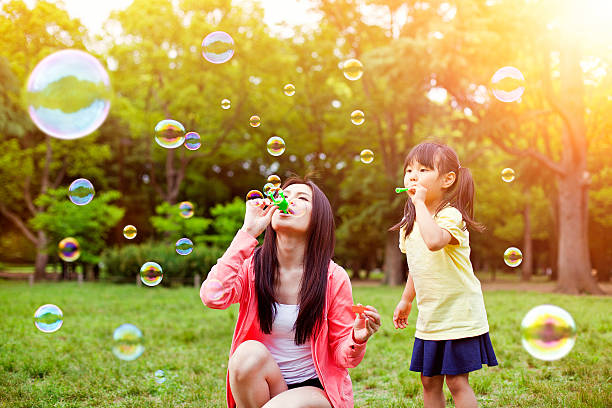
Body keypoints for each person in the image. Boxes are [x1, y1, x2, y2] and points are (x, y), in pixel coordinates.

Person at [201, 177, 381, 408]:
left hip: (315, 391)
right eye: (284, 195)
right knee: (246, 354)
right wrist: (248, 232)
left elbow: (343, 357)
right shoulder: (252, 268)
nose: (287, 200)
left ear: (318, 219)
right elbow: (213, 297)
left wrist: (357, 337)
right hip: (265, 385)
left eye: (302, 197)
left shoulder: (333, 278)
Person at [391, 142, 498, 408]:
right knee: (428, 381)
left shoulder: (451, 216)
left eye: (424, 169)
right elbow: (416, 265)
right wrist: (406, 300)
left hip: (459, 313)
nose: (413, 176)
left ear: (448, 179)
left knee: (457, 382)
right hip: (432, 314)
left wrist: (419, 204)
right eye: (409, 170)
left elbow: (435, 241)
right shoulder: (411, 224)